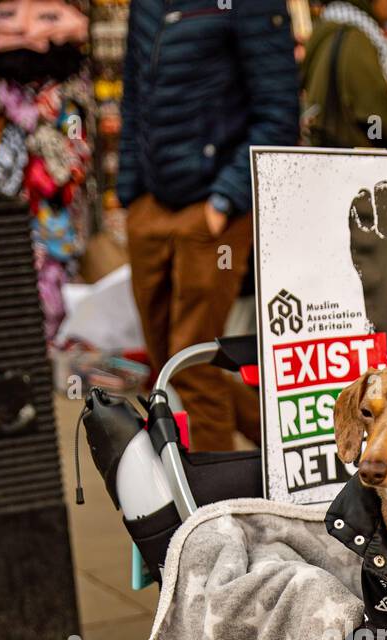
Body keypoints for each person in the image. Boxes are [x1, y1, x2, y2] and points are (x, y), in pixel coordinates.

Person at [117, 1, 300, 450]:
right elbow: (134, 96)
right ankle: (282, 455)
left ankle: (216, 510)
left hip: (213, 210)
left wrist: (226, 199)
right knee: (171, 364)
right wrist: (130, 193)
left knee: (194, 366)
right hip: (151, 206)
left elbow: (278, 111)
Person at [301, 0, 387, 149]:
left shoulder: (331, 29)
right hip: (354, 157)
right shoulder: (355, 39)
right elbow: (373, 114)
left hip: (334, 151)